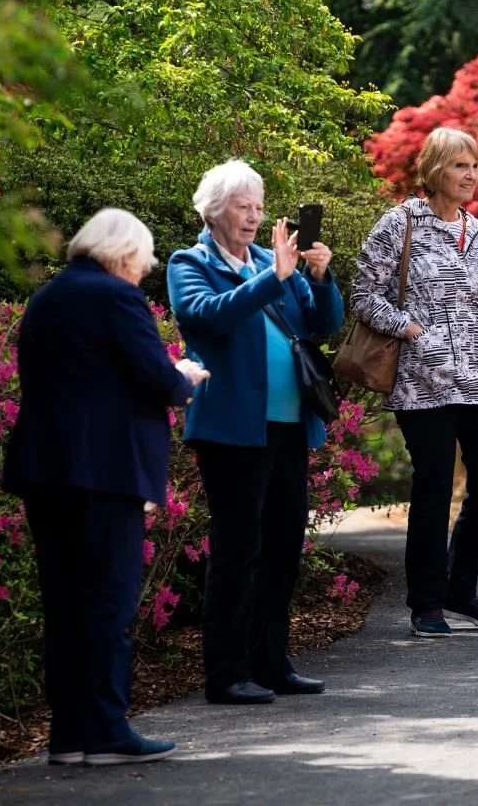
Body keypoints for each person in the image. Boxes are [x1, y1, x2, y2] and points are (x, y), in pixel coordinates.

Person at [3, 208, 209, 766]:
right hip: (103, 472)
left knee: (67, 605)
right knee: (108, 603)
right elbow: (156, 379)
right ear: (123, 253)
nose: (142, 273)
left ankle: (69, 735)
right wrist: (184, 378)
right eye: (142, 263)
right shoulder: (117, 298)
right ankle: (107, 733)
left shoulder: (47, 297)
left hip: (45, 470)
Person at [166, 160, 343, 704]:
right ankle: (227, 672)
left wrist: (318, 275)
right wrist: (275, 277)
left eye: (260, 206)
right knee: (238, 549)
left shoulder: (273, 260)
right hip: (232, 429)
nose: (254, 216)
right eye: (243, 206)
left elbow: (323, 322)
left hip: (289, 425)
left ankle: (272, 662)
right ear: (215, 210)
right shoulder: (188, 262)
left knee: (284, 546)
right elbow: (207, 316)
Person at [350, 127, 478, 638]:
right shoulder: (399, 224)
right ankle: (426, 604)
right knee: (432, 491)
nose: (471, 175)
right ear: (434, 171)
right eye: (459, 166)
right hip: (424, 382)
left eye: (475, 165)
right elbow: (363, 294)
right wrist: (408, 328)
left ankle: (459, 590)